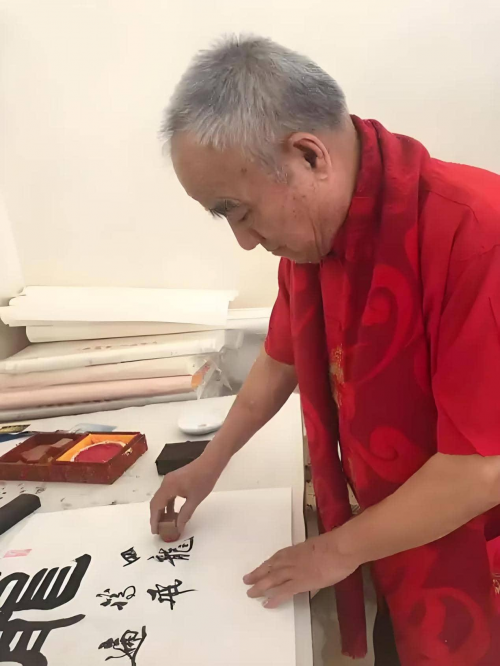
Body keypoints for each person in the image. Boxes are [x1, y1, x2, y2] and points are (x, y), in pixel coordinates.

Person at [150, 35, 500, 666]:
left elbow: (481, 467)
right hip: (397, 527)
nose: (244, 242)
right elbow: (281, 358)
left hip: (477, 543)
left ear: (309, 155)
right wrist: (209, 463)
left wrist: (334, 551)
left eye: (238, 212)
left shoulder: (476, 234)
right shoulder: (316, 237)